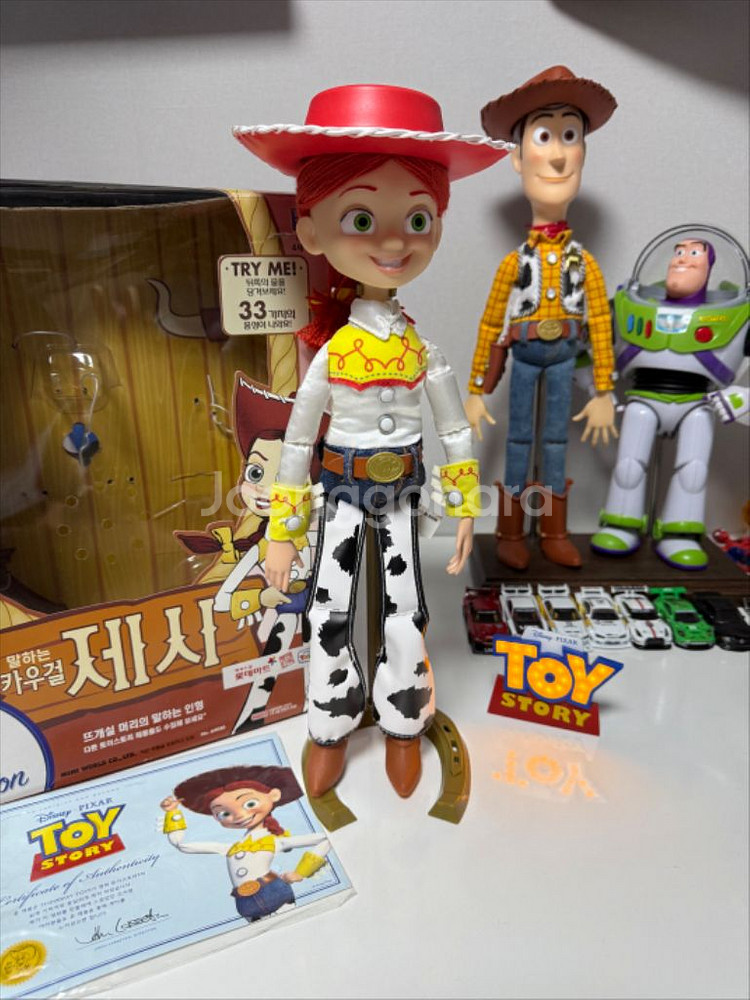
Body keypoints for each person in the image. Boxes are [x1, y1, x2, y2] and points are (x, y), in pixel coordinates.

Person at [233, 84, 509, 799]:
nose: (393, 242)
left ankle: (404, 720)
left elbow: (453, 427)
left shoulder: (423, 350)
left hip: (403, 496)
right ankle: (329, 722)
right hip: (340, 495)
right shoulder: (332, 353)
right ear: (312, 231)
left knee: (407, 612)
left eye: (418, 219)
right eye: (362, 219)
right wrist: (282, 531)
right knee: (328, 610)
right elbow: (298, 440)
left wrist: (465, 509)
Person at [465, 66, 618, 570]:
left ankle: (552, 530)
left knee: (555, 443)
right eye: (544, 137)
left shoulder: (584, 263)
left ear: (583, 154)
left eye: (569, 137)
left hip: (564, 357)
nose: (557, 156)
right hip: (525, 357)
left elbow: (600, 324)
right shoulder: (515, 263)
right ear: (517, 157)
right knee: (518, 441)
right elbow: (491, 324)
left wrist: (604, 390)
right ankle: (511, 531)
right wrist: (477, 388)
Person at [591, 230, 749, 568]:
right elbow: (589, 345)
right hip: (642, 398)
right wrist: (597, 391)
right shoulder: (627, 305)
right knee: (628, 466)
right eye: (679, 252)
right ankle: (620, 524)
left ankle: (680, 534)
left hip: (697, 402)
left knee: (693, 471)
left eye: (694, 255)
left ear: (709, 267)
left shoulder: (740, 316)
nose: (681, 260)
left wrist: (743, 398)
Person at [160, 765, 330, 923]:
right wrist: (173, 813)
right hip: (245, 903)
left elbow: (325, 839)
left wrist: (301, 871)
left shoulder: (274, 841)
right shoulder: (230, 848)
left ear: (273, 795)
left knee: (295, 924)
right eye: (223, 813)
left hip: (274, 892)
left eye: (250, 804)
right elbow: (181, 845)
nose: (239, 816)